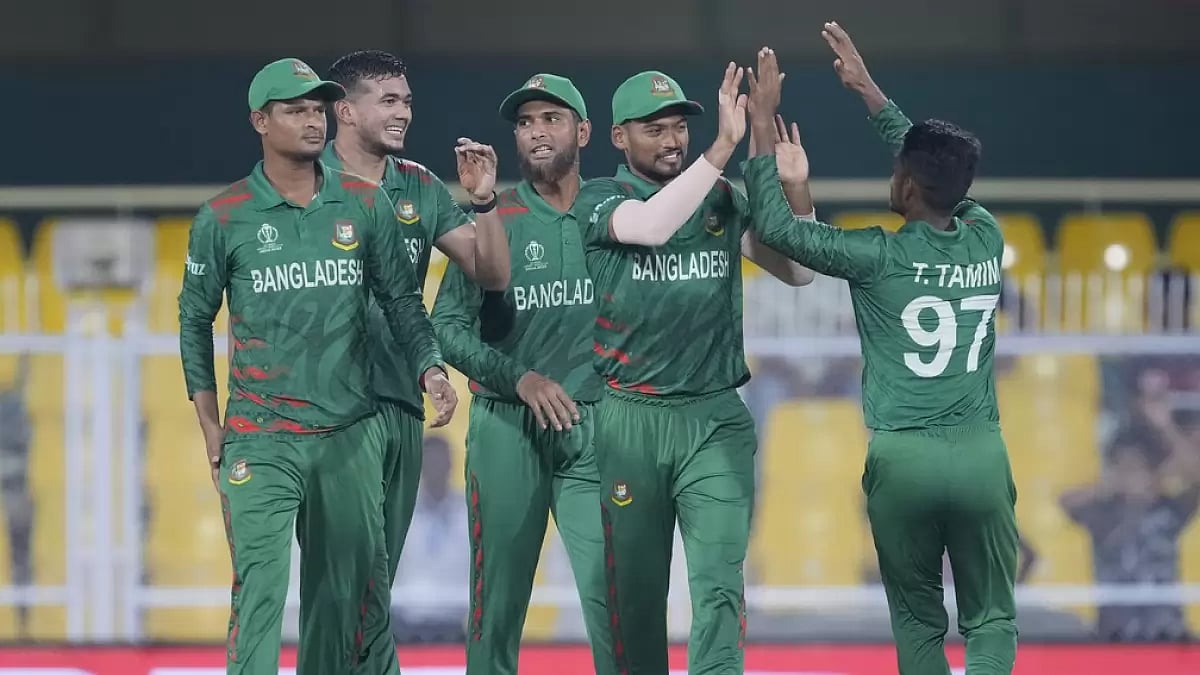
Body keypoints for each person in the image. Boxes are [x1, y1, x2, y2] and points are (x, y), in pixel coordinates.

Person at [742, 22, 1018, 674]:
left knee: (919, 618)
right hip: (980, 449)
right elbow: (941, 170)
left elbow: (777, 228)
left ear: (908, 187)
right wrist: (868, 91)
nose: (895, 174)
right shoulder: (986, 236)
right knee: (992, 618)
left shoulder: (874, 255)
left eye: (900, 170)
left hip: (903, 457)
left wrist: (761, 134)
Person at [177, 57, 456, 675]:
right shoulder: (223, 217)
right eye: (294, 109)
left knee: (352, 596)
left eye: (315, 108)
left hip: (347, 435)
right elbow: (193, 320)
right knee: (260, 593)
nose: (311, 120)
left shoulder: (363, 202)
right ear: (259, 120)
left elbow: (402, 302)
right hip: (261, 435)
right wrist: (208, 423)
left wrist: (430, 367)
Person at [571, 54, 815, 675]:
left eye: (680, 125)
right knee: (637, 598)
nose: (674, 139)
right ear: (618, 137)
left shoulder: (722, 199)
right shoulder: (597, 200)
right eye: (655, 128)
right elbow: (652, 226)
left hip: (712, 421)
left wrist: (793, 187)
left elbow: (799, 268)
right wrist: (724, 145)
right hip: (630, 421)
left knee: (718, 588)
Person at [429, 73, 612, 675]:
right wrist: (520, 379)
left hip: (599, 428)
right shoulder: (492, 217)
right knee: (497, 604)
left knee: (615, 596)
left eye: (551, 118)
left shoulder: (617, 209)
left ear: (583, 132)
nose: (536, 131)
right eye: (525, 122)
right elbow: (448, 326)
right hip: (508, 428)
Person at [321, 49, 510, 593]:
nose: (403, 112)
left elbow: (491, 274)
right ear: (346, 111)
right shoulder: (305, 184)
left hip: (401, 407)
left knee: (376, 583)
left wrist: (484, 201)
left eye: (406, 100)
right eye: (387, 101)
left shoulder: (419, 186)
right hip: (329, 412)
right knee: (339, 581)